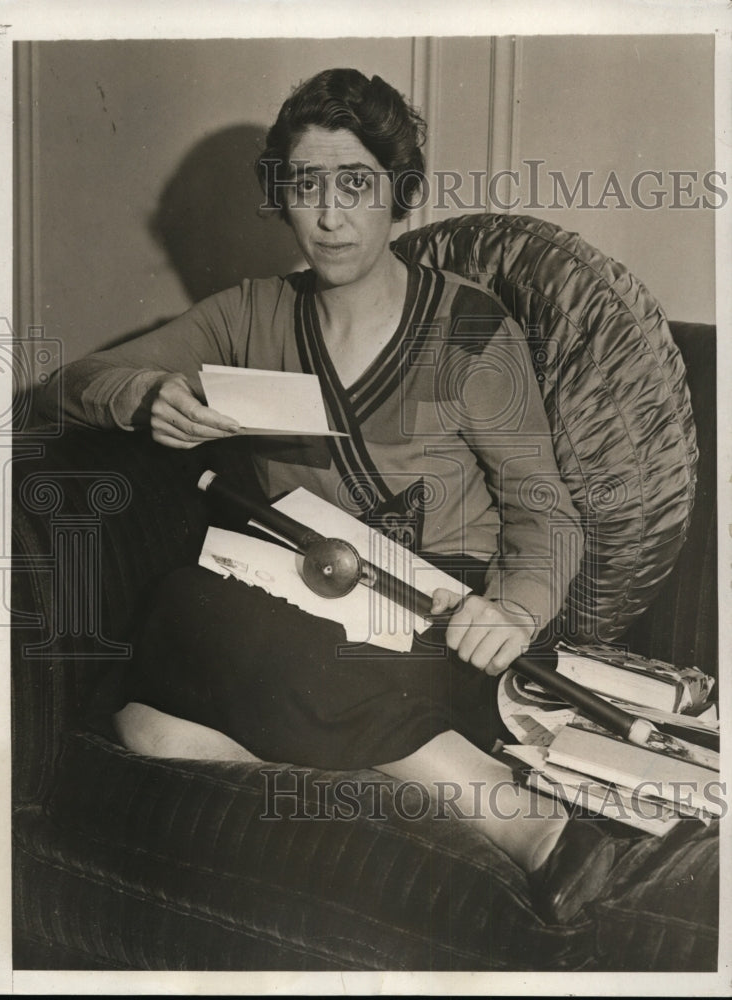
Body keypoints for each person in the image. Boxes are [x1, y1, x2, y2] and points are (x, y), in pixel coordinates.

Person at [43, 68, 621, 922]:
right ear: (282, 197)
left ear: (401, 193)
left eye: (357, 183)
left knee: (156, 721)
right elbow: (70, 383)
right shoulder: (254, 312)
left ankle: (522, 820)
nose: (330, 213)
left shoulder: (468, 325)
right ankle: (408, 787)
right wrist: (140, 397)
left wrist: (516, 609)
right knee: (164, 658)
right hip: (299, 603)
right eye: (306, 185)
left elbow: (546, 507)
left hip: (435, 623)